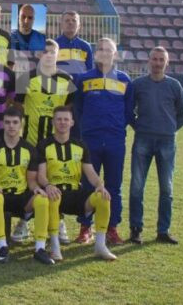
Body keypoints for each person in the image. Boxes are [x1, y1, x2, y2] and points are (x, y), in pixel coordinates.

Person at [11, 39, 73, 244]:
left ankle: (59, 221)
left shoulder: (67, 79)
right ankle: (24, 221)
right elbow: (17, 107)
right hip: (31, 140)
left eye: (52, 52)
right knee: (30, 183)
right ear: (39, 55)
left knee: (55, 182)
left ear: (58, 54)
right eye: (44, 52)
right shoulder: (26, 78)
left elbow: (68, 110)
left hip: (55, 143)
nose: (48, 55)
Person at [36, 106, 117, 261]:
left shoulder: (80, 145)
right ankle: (55, 247)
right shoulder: (44, 145)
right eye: (59, 119)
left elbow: (90, 172)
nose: (62, 122)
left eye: (66, 119)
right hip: (56, 193)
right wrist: (48, 185)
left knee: (103, 197)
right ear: (53, 122)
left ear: (72, 122)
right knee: (52, 196)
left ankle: (100, 246)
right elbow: (40, 175)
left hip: (75, 193)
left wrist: (100, 185)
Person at [74, 37, 134, 245]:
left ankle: (112, 228)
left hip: (115, 141)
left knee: (114, 186)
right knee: (87, 185)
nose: (104, 52)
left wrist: (116, 128)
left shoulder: (125, 80)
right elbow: (78, 109)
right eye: (100, 49)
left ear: (115, 54)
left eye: (108, 50)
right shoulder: (83, 79)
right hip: (90, 140)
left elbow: (128, 112)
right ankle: (85, 227)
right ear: (95, 53)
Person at [128, 46, 183, 245]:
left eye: (162, 60)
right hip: (143, 139)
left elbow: (182, 114)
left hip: (167, 142)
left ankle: (163, 231)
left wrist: (169, 129)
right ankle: (136, 229)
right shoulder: (138, 85)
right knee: (137, 186)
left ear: (167, 63)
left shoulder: (174, 86)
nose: (158, 63)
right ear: (149, 61)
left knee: (166, 188)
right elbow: (129, 111)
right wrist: (139, 127)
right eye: (154, 59)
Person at [0, 107, 53, 265]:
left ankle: (39, 248)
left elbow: (31, 180)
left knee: (42, 199)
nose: (11, 126)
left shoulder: (29, 149)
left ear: (21, 124)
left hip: (21, 197)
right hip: (0, 195)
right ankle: (2, 247)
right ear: (3, 124)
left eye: (15, 122)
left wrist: (36, 188)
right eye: (8, 122)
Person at [55, 10, 93, 80]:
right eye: (67, 20)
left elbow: (90, 70)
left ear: (79, 26)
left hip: (80, 85)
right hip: (59, 85)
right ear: (61, 25)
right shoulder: (54, 45)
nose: (70, 23)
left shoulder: (86, 46)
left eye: (74, 20)